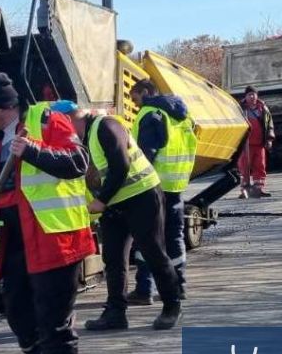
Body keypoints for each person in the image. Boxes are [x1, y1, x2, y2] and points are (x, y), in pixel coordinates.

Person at [0, 72, 94, 354]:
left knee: (52, 316)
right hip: (16, 240)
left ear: (0, 107)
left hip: (54, 237)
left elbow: (78, 163)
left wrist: (34, 151)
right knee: (18, 312)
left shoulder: (46, 120)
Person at [77, 112, 183, 332]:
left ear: (73, 117)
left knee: (153, 252)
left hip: (141, 196)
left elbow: (121, 165)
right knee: (113, 258)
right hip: (116, 202)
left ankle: (172, 306)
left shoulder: (105, 126)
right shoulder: (85, 137)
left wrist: (101, 200)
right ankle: (115, 313)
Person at [127, 79, 197, 305]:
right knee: (174, 235)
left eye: (135, 99)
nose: (135, 105)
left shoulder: (151, 114)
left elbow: (145, 154)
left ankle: (144, 289)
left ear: (145, 92)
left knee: (147, 237)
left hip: (153, 185)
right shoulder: (183, 115)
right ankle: (179, 285)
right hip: (176, 184)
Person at [238, 86, 275, 198]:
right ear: (245, 96)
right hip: (245, 145)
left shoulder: (263, 109)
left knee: (260, 166)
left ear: (257, 95)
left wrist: (269, 139)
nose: (252, 97)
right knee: (244, 168)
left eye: (253, 94)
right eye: (249, 94)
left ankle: (258, 189)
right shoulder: (240, 109)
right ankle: (244, 190)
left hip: (259, 144)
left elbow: (269, 125)